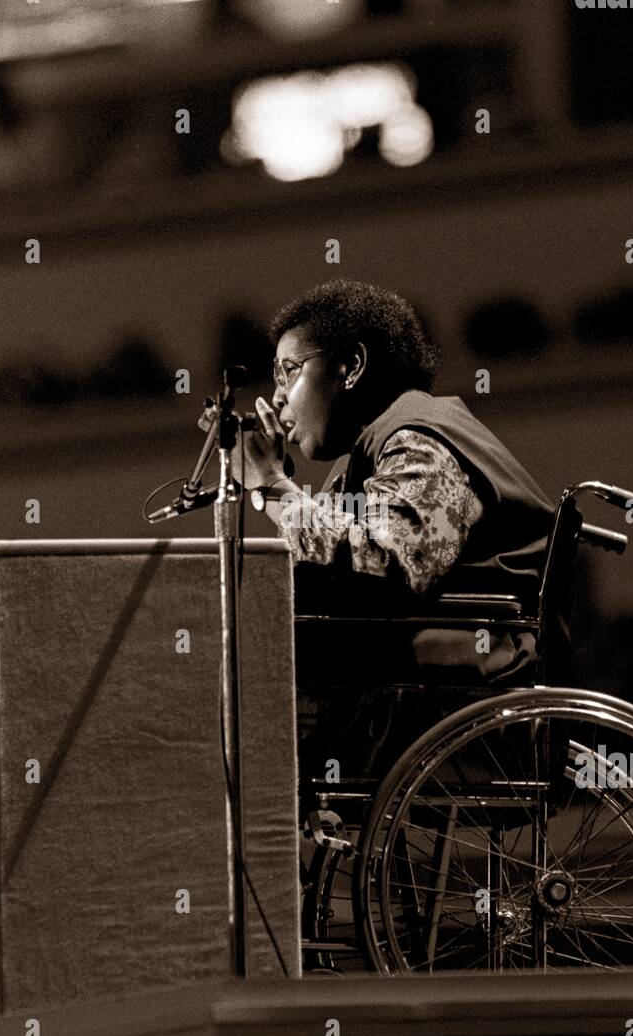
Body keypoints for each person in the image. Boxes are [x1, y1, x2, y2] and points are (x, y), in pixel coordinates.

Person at [237, 279, 557, 793]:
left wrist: (275, 489)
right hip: (427, 677)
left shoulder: (419, 438)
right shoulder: (371, 451)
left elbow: (387, 562)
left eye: (290, 370)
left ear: (352, 367)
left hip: (471, 687)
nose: (276, 395)